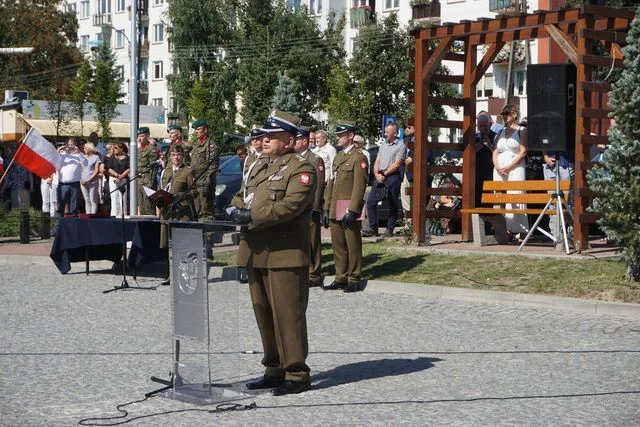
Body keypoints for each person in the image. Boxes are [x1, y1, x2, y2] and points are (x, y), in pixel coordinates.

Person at [228, 110, 315, 396]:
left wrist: (249, 214)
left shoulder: (302, 170)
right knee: (263, 313)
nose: (264, 141)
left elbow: (290, 206)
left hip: (284, 253)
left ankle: (296, 373)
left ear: (289, 141)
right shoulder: (259, 166)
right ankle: (274, 368)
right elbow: (242, 194)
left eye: (272, 137)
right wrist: (237, 207)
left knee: (288, 315)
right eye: (263, 136)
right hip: (255, 251)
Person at [321, 120, 368, 293]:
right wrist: (326, 208)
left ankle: (354, 278)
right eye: (338, 135)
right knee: (338, 245)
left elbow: (359, 185)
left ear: (350, 136)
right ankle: (341, 276)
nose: (338, 138)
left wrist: (354, 209)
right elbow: (331, 183)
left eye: (341, 135)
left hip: (348, 206)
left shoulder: (359, 157)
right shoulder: (338, 157)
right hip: (335, 206)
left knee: (352, 244)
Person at [157, 145, 197, 285]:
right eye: (173, 155)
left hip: (181, 212)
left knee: (182, 245)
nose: (176, 157)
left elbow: (194, 192)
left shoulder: (188, 171)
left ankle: (183, 274)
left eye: (178, 155)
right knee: (167, 245)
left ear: (183, 156)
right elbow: (161, 189)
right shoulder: (165, 171)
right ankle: (169, 275)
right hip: (167, 212)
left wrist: (179, 196)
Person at [363, 123, 407, 237]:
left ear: (395, 133)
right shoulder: (383, 145)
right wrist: (376, 173)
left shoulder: (401, 146)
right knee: (371, 201)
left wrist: (385, 173)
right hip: (380, 175)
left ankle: (389, 229)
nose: (385, 134)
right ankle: (373, 227)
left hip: (392, 176)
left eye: (388, 132)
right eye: (385, 131)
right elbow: (377, 159)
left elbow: (397, 164)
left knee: (392, 202)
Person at [295, 126, 325, 287]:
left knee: (313, 241)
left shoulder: (315, 159)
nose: (295, 142)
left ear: (305, 141)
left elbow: (319, 185)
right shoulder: (294, 159)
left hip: (310, 208)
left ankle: (314, 273)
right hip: (297, 209)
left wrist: (316, 207)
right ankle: (303, 269)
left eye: (298, 139)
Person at [493, 104, 529, 239]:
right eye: (503, 114)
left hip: (515, 168)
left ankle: (519, 230)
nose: (504, 116)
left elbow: (523, 151)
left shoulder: (522, 130)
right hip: (500, 170)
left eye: (507, 113)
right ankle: (504, 229)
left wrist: (509, 166)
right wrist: (497, 166)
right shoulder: (500, 132)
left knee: (516, 196)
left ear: (514, 114)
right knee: (500, 198)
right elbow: (495, 151)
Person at [542, 149, 575, 244]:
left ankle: (569, 233)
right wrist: (545, 157)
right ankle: (555, 235)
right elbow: (543, 142)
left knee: (568, 203)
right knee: (553, 203)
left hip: (567, 164)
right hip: (550, 167)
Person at [190, 119, 219, 220]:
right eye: (195, 130)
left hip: (205, 182)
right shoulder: (196, 145)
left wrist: (208, 183)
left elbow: (213, 166)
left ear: (205, 130)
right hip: (196, 181)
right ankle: (200, 233)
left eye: (198, 129)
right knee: (199, 211)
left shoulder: (210, 145)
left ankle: (208, 234)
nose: (196, 132)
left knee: (207, 212)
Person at [56, 138, 87, 218]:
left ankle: (74, 222)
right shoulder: (61, 154)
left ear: (75, 145)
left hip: (74, 183)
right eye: (69, 145)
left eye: (72, 145)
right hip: (62, 183)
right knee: (61, 205)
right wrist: (58, 150)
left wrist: (80, 152)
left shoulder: (79, 155)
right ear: (66, 145)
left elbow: (85, 164)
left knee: (74, 206)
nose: (70, 147)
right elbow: (54, 161)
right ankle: (59, 223)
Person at [136, 127, 160, 215]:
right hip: (139, 179)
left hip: (148, 179)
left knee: (149, 205)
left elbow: (153, 167)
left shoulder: (151, 149)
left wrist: (151, 182)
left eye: (142, 136)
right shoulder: (139, 149)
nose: (139, 138)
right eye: (138, 136)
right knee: (141, 204)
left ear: (148, 136)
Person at [475, 112, 497, 207]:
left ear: (490, 124)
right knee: (477, 202)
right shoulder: (475, 137)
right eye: (480, 126)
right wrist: (480, 144)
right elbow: (470, 152)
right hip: (477, 174)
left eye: (485, 125)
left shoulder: (496, 136)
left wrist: (489, 145)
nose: (483, 128)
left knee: (489, 204)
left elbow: (498, 153)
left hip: (491, 173)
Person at [106, 142, 130, 217]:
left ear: (121, 149)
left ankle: (123, 215)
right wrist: (117, 175)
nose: (114, 149)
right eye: (113, 148)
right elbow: (108, 168)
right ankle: (114, 215)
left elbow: (129, 168)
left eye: (115, 147)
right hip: (113, 179)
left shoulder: (127, 158)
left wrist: (122, 176)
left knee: (123, 198)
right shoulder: (112, 158)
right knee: (114, 198)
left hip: (123, 180)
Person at [80, 142, 102, 214]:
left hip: (93, 181)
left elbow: (96, 170)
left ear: (90, 149)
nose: (84, 149)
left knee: (93, 200)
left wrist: (89, 179)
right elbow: (80, 169)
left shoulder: (96, 157)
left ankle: (92, 217)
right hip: (83, 181)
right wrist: (81, 179)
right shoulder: (82, 157)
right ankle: (87, 216)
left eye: (85, 148)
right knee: (87, 200)